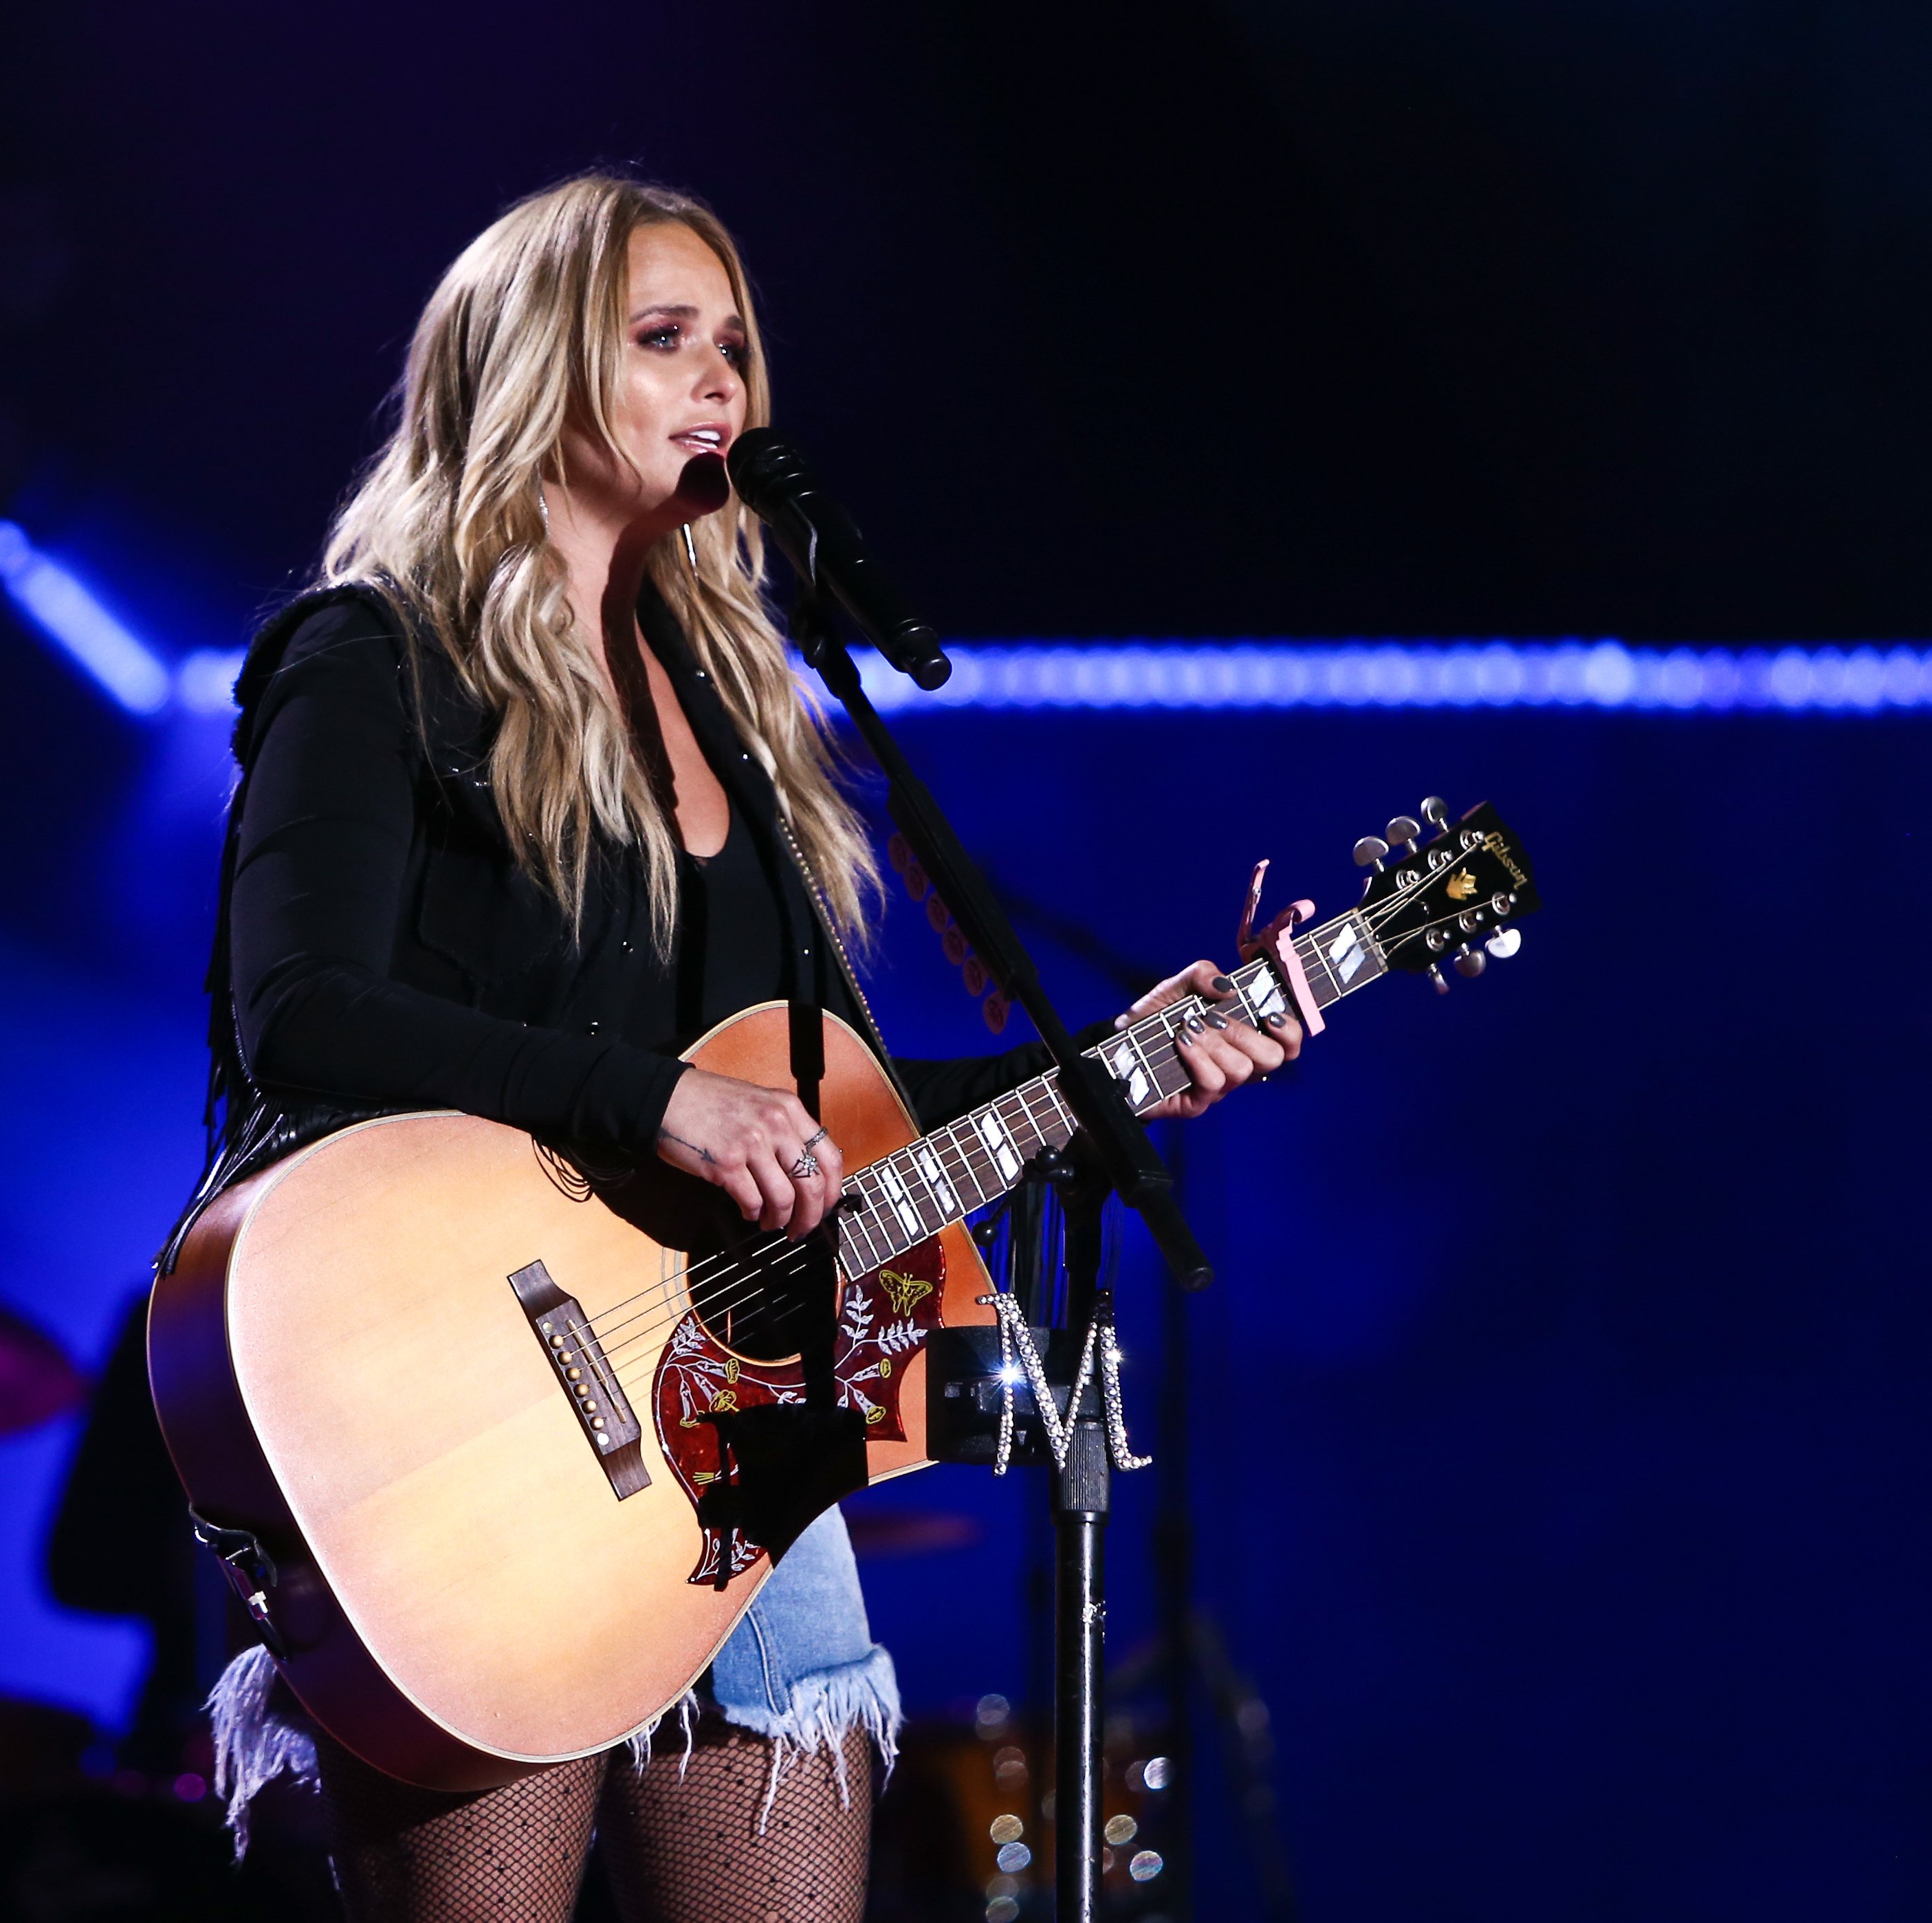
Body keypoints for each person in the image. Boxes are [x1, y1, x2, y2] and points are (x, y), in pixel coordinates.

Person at [180, 173, 1304, 1923]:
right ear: (534, 369)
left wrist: (1115, 1065)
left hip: (734, 1443)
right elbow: (298, 1011)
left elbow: (825, 1125)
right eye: (661, 339)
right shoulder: (375, 656)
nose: (721, 381)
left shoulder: (733, 708)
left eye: (733, 346)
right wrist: (655, 1099)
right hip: (468, 1436)